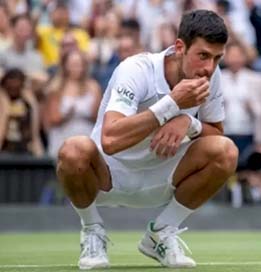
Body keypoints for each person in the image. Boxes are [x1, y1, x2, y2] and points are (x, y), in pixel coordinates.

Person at [56, 9, 238, 270]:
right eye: (203, 56)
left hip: (163, 177)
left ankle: (162, 232)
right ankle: (92, 229)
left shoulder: (210, 76)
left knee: (226, 151)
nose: (209, 68)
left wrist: (189, 122)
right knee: (73, 149)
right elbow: (110, 139)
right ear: (179, 47)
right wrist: (172, 105)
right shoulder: (136, 69)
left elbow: (215, 132)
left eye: (217, 58)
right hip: (106, 177)